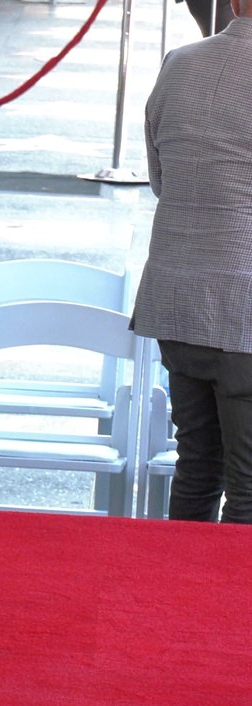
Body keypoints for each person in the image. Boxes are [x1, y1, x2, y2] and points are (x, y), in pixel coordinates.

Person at [133, 0, 252, 525]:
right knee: (249, 486)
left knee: (197, 467)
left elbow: (161, 180)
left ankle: (180, 576)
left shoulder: (179, 62)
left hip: (177, 294)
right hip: (243, 303)